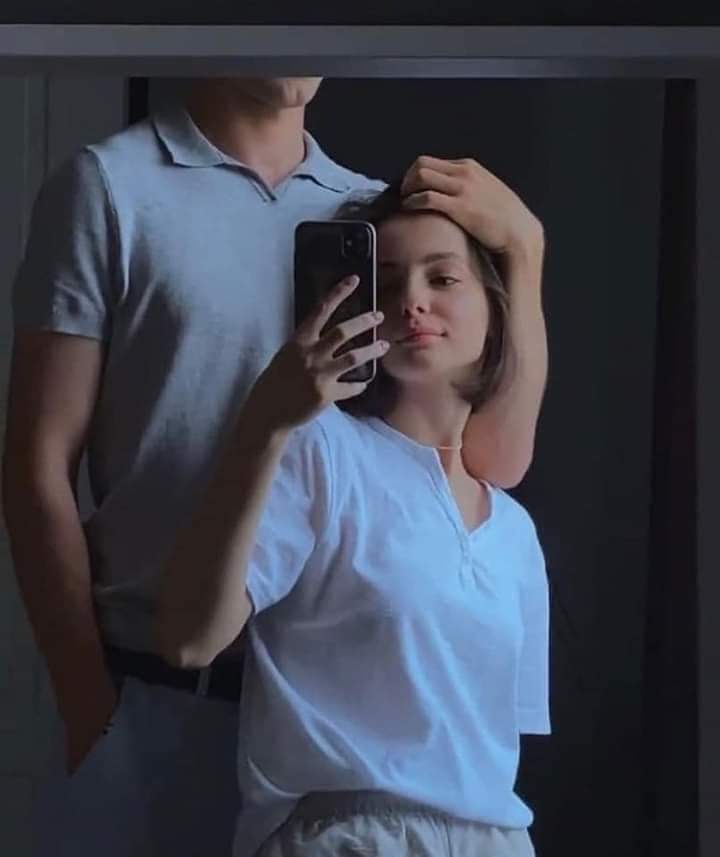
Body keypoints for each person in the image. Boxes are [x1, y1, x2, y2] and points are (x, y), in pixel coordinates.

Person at [1, 77, 547, 857]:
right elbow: (36, 466)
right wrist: (92, 710)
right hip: (160, 688)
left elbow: (488, 461)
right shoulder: (111, 187)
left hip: (324, 726)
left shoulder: (367, 217)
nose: (413, 296)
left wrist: (525, 251)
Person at [155, 181, 551, 857]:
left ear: (495, 306)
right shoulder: (321, 449)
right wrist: (264, 424)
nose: (412, 301)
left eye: (442, 278)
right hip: (345, 835)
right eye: (386, 282)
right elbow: (189, 641)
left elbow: (496, 743)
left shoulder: (514, 531)